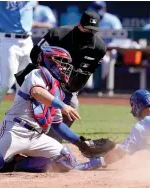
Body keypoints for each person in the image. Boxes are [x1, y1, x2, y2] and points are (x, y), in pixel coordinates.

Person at [0, 46, 114, 174]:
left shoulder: (58, 91)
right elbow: (37, 92)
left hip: (36, 137)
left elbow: (57, 124)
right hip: (15, 130)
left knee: (66, 161)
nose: (66, 67)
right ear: (49, 61)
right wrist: (63, 106)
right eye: (62, 62)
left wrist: (80, 142)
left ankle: (15, 163)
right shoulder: (37, 73)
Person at [29, 11, 106, 140]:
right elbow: (34, 54)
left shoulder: (99, 48)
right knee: (35, 107)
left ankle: (51, 144)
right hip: (45, 79)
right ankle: (27, 138)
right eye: (87, 29)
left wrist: (73, 88)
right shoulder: (58, 34)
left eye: (93, 30)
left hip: (68, 85)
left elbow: (88, 72)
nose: (89, 33)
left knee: (72, 107)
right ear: (79, 25)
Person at [0, 1, 36, 131]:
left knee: (25, 84)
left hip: (27, 41)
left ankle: (20, 119)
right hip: (7, 41)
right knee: (6, 82)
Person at [85, 1, 122, 92]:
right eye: (95, 9)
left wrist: (109, 48)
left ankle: (94, 85)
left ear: (104, 9)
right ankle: (86, 86)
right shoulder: (87, 19)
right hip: (92, 50)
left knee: (104, 60)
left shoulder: (112, 20)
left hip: (109, 50)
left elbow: (120, 38)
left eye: (99, 8)